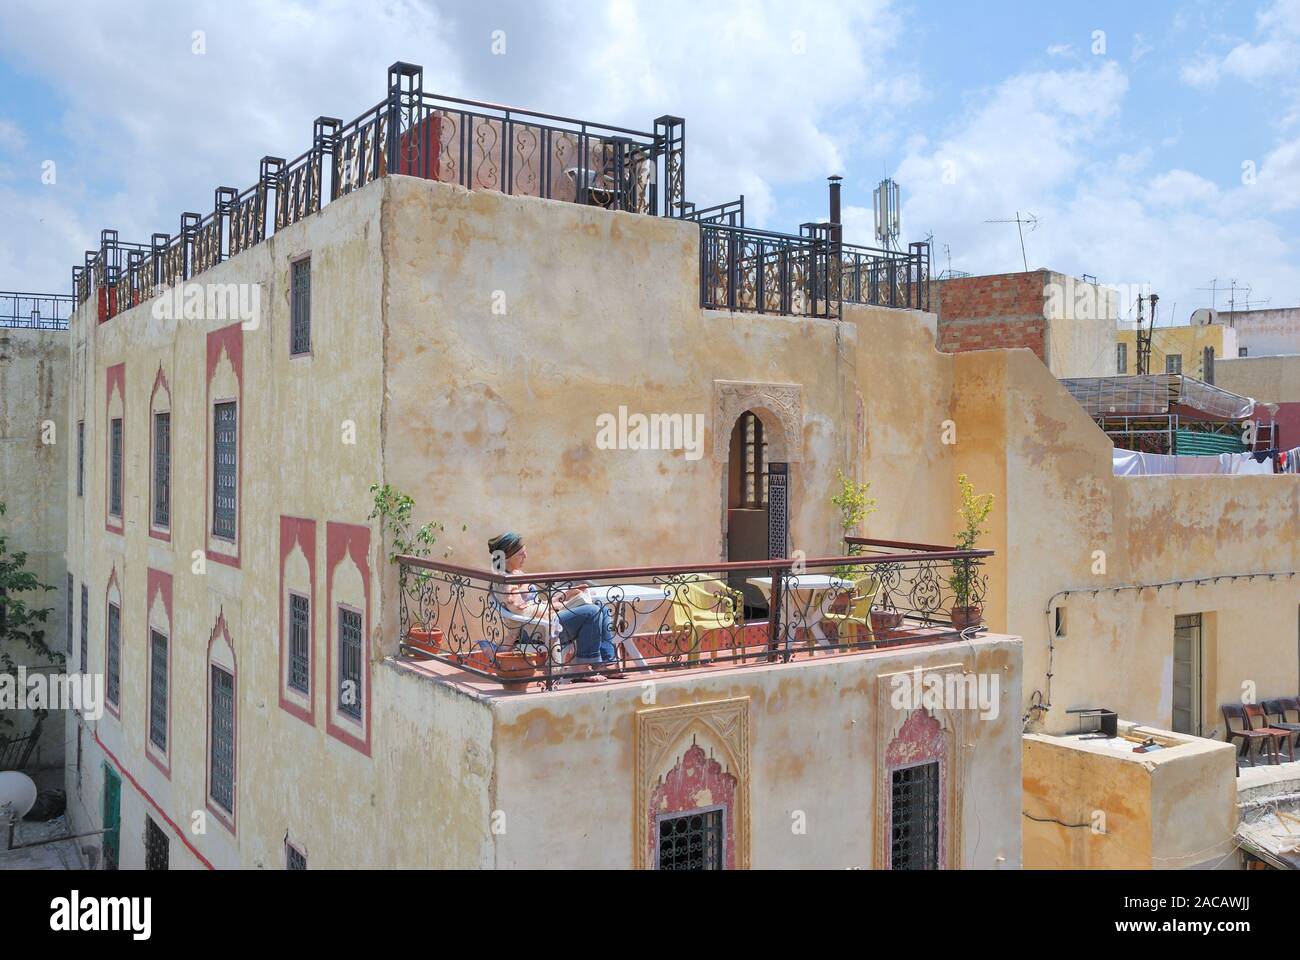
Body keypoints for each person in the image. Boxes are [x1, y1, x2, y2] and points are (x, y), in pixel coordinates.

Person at [487, 533, 623, 681]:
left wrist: (566, 596)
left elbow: (534, 603)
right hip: (534, 630)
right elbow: (523, 611)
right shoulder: (505, 582)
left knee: (601, 608)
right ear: (507, 556)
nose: (525, 556)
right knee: (592, 612)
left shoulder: (514, 574)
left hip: (540, 621)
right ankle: (581, 669)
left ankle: (605, 664)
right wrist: (557, 606)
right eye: (521, 554)